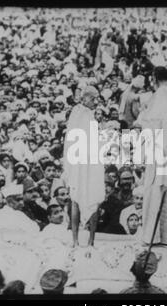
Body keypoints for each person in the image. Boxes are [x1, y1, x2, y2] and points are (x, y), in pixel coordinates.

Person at [133, 66, 167, 246]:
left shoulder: (159, 96)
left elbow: (152, 124)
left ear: (154, 78)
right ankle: (166, 237)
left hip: (160, 152)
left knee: (153, 194)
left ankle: (149, 237)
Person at [63, 86, 105, 247]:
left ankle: (91, 240)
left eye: (97, 99)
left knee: (94, 197)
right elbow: (73, 139)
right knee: (76, 198)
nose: (96, 102)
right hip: (80, 162)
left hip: (93, 162)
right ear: (85, 98)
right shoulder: (78, 113)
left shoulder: (90, 115)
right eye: (93, 98)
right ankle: (75, 240)